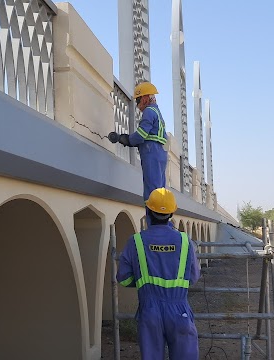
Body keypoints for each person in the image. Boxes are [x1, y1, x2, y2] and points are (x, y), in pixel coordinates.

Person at [116, 188, 200, 360]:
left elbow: (123, 279)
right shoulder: (185, 241)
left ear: (148, 211)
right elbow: (192, 278)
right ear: (172, 213)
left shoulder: (136, 241)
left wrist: (143, 282)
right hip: (179, 310)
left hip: (149, 310)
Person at [109, 82, 168, 202]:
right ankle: (161, 216)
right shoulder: (157, 112)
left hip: (151, 152)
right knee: (160, 190)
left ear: (145, 98)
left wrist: (125, 139)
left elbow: (141, 135)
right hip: (160, 153)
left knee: (152, 192)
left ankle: (153, 218)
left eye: (138, 100)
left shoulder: (149, 112)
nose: (137, 105)